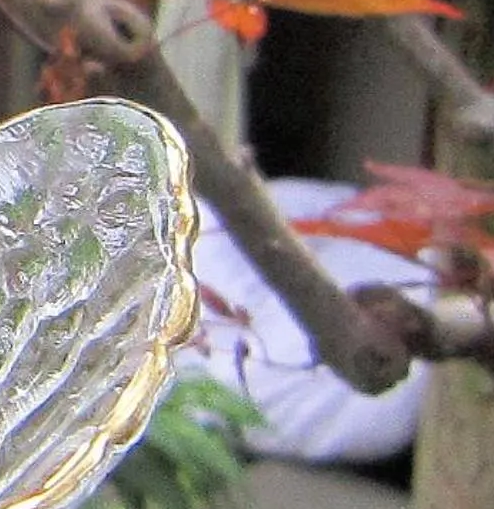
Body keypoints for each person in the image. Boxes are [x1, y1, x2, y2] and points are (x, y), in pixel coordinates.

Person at [178, 177, 430, 466]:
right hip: (403, 381)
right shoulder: (210, 391)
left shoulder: (202, 229)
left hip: (430, 268)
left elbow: (349, 212)